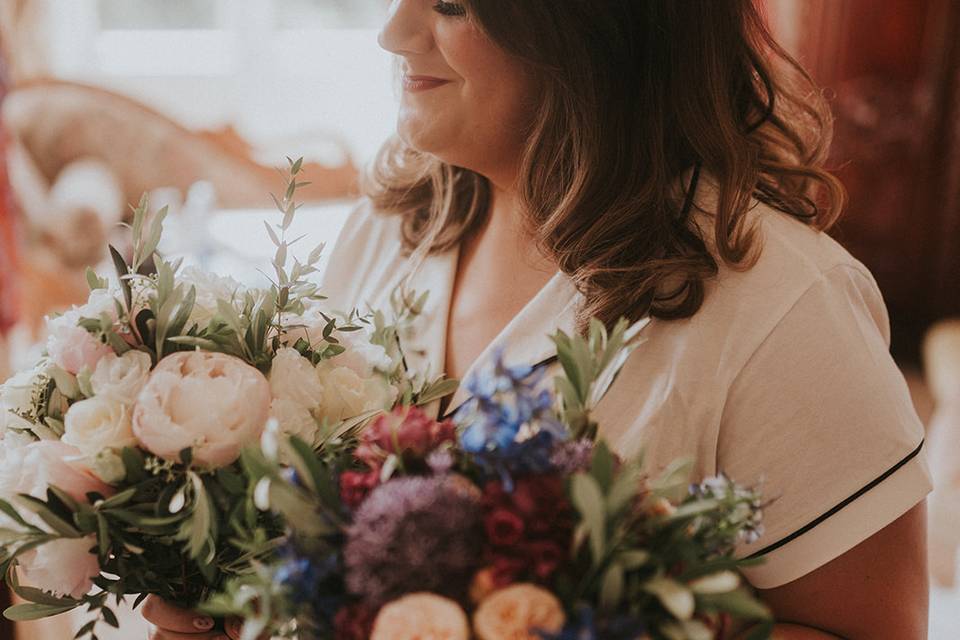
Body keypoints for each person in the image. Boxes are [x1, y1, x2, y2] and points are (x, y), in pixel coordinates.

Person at [145, 1, 931, 638]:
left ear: (592, 29)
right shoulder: (385, 232)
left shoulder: (786, 304)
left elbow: (873, 630)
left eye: (452, 5)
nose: (394, 33)